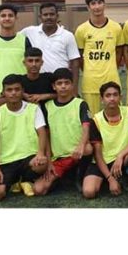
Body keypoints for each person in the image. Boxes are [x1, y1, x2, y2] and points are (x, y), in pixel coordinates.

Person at [0, 2, 81, 84]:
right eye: (45, 15)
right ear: (40, 17)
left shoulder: (67, 35)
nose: (48, 17)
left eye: (52, 14)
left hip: (60, 82)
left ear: (57, 16)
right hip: (37, 82)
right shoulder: (29, 32)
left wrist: (74, 87)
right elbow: (9, 36)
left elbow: (75, 63)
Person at [0, 74, 49, 202]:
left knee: (42, 163)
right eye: (9, 90)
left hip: (29, 158)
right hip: (6, 162)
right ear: (3, 93)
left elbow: (42, 132)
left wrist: (41, 153)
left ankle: (25, 179)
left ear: (22, 91)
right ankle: (14, 181)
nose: (13, 93)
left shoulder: (33, 109)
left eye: (17, 89)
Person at [34, 68, 92, 196]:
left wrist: (81, 145)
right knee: (39, 189)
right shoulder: (47, 106)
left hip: (77, 153)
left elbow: (86, 127)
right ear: (54, 87)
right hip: (58, 158)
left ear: (72, 85)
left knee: (88, 148)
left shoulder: (80, 104)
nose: (63, 86)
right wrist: (49, 162)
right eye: (59, 83)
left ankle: (80, 177)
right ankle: (62, 178)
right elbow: (47, 136)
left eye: (67, 83)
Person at [84, 82, 128, 198]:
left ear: (120, 97)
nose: (112, 98)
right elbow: (97, 154)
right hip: (103, 161)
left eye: (115, 95)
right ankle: (111, 179)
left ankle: (127, 174)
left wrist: (120, 156)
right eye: (108, 96)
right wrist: (110, 179)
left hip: (123, 159)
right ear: (102, 99)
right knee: (89, 192)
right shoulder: (95, 120)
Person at [74, 0, 126, 116]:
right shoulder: (81, 30)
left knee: (115, 117)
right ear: (88, 7)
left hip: (111, 79)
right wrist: (89, 69)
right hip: (90, 82)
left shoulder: (116, 28)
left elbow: (119, 52)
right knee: (92, 119)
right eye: (93, 3)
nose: (97, 6)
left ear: (104, 5)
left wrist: (112, 67)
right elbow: (80, 56)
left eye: (99, 3)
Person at [0, 4, 31, 99]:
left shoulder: (24, 40)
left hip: (19, 91)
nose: (7, 18)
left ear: (16, 18)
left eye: (10, 15)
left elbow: (30, 65)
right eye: (3, 16)